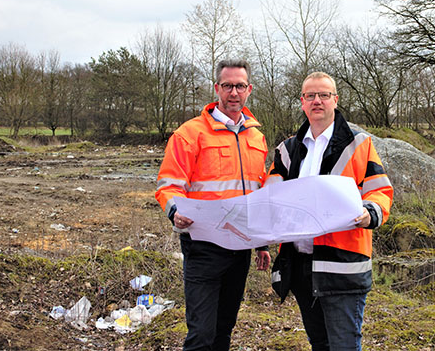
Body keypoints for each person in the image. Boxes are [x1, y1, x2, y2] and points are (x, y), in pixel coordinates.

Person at [267, 71, 393, 351]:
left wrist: (369, 212)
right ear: (301, 102)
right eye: (310, 95)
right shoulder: (288, 149)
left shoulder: (360, 144)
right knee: (319, 344)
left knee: (343, 346)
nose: (317, 101)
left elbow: (380, 191)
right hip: (300, 266)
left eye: (324, 95)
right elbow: (271, 196)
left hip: (342, 266)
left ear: (335, 100)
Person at [155, 59, 271, 351]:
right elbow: (168, 185)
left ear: (249, 90)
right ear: (217, 88)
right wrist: (174, 211)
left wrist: (263, 244)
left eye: (240, 86)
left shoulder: (257, 137)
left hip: (241, 246)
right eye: (228, 85)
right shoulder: (190, 134)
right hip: (203, 246)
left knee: (223, 331)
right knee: (201, 335)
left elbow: (261, 192)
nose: (234, 92)